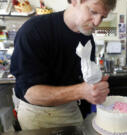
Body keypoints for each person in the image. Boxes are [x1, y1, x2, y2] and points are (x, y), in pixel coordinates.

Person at [10, 0, 116, 130]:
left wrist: (94, 83)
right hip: (38, 115)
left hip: (72, 108)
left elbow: (81, 77)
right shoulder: (34, 30)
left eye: (103, 17)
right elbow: (30, 93)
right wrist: (82, 91)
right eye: (93, 12)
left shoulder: (87, 37)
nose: (97, 23)